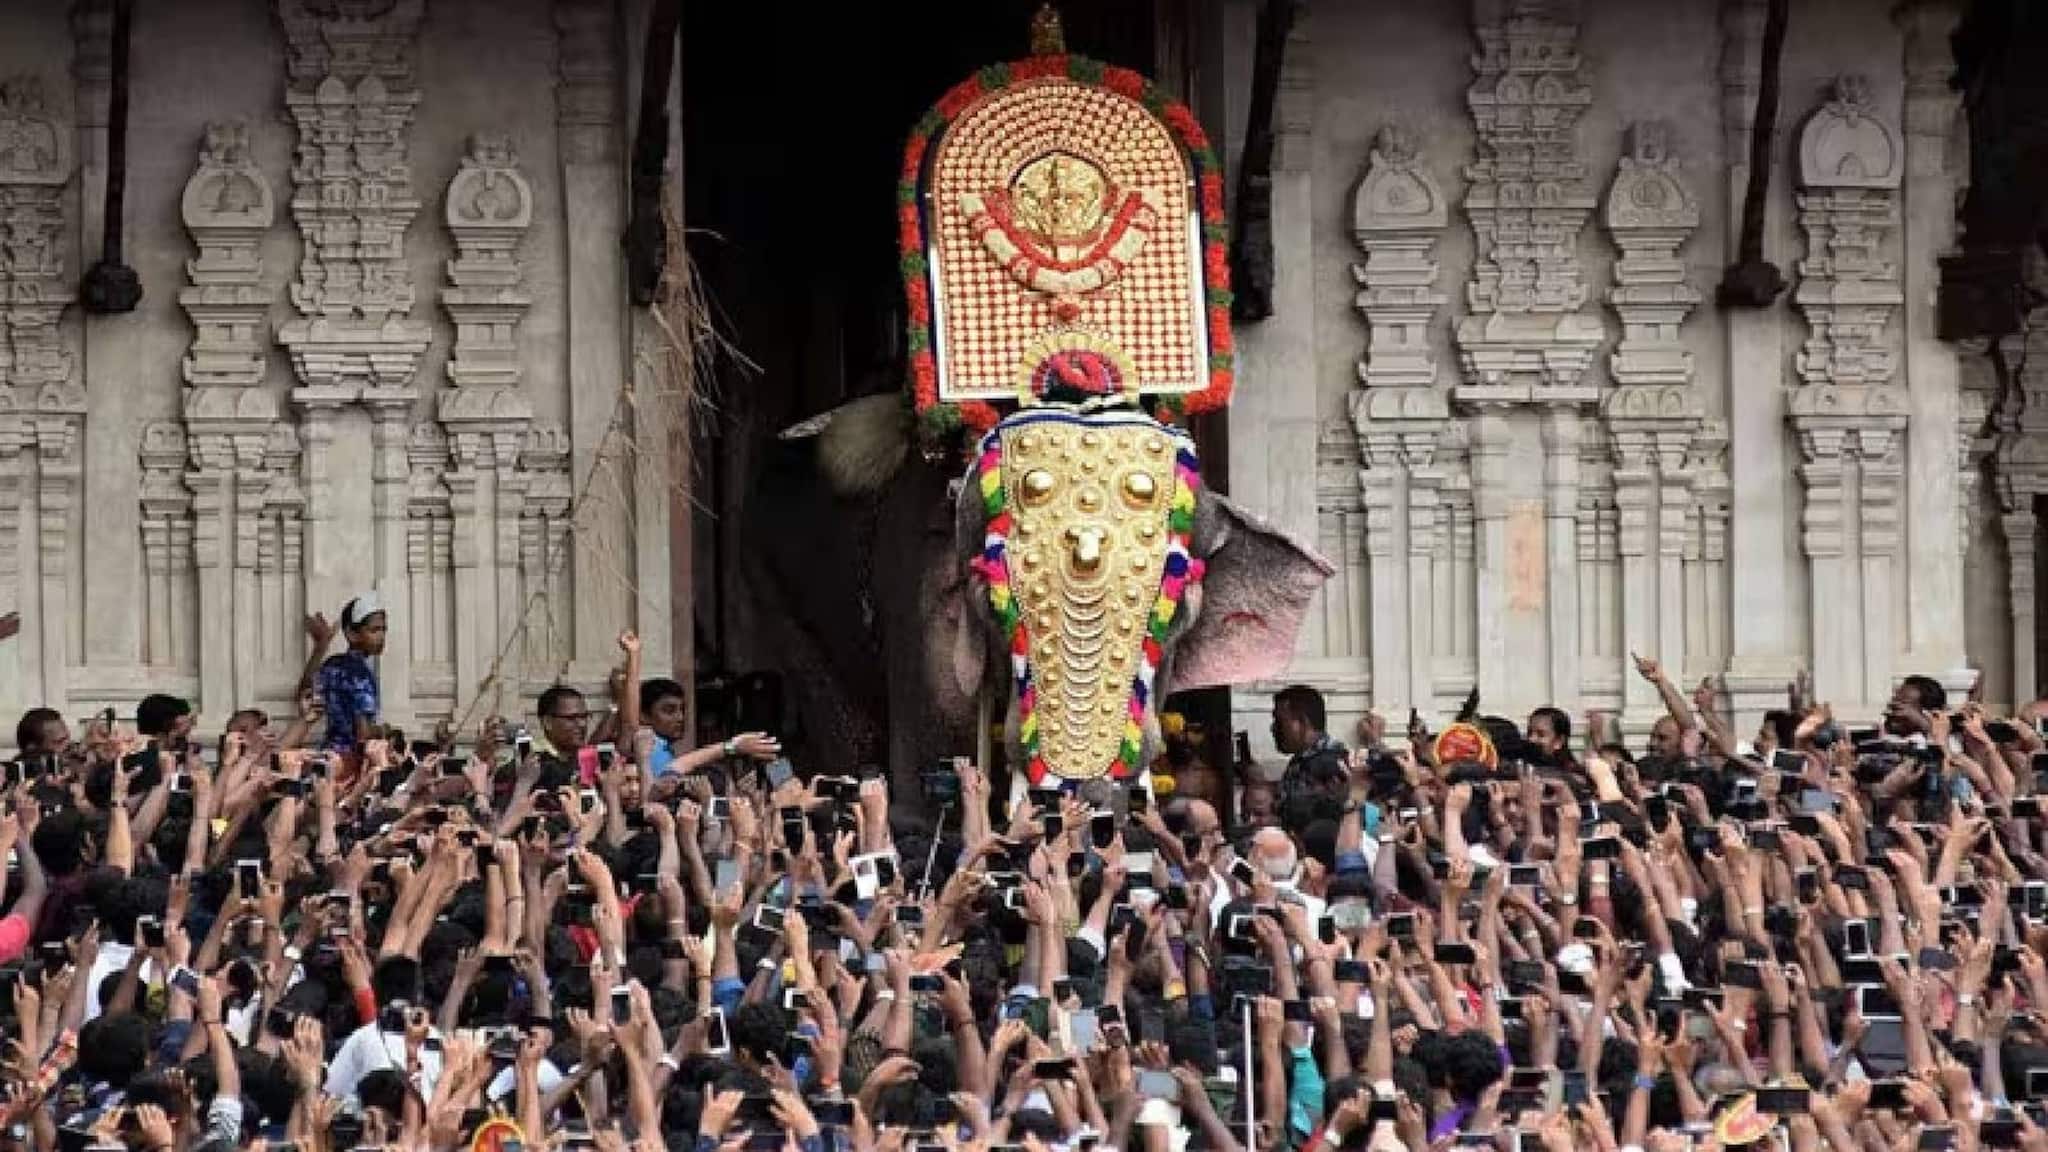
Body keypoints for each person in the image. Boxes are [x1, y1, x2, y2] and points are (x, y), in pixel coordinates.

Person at [302, 596, 387, 760]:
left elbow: (305, 690)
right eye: (374, 630)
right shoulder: (361, 676)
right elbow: (363, 734)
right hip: (351, 761)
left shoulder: (333, 665)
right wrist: (383, 730)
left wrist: (321, 646)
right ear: (351, 634)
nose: (381, 636)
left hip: (328, 755)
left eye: (384, 629)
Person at [1271, 683, 1348, 812]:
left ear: (1302, 722)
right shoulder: (1303, 759)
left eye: (1280, 721)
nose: (1273, 728)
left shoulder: (1331, 763)